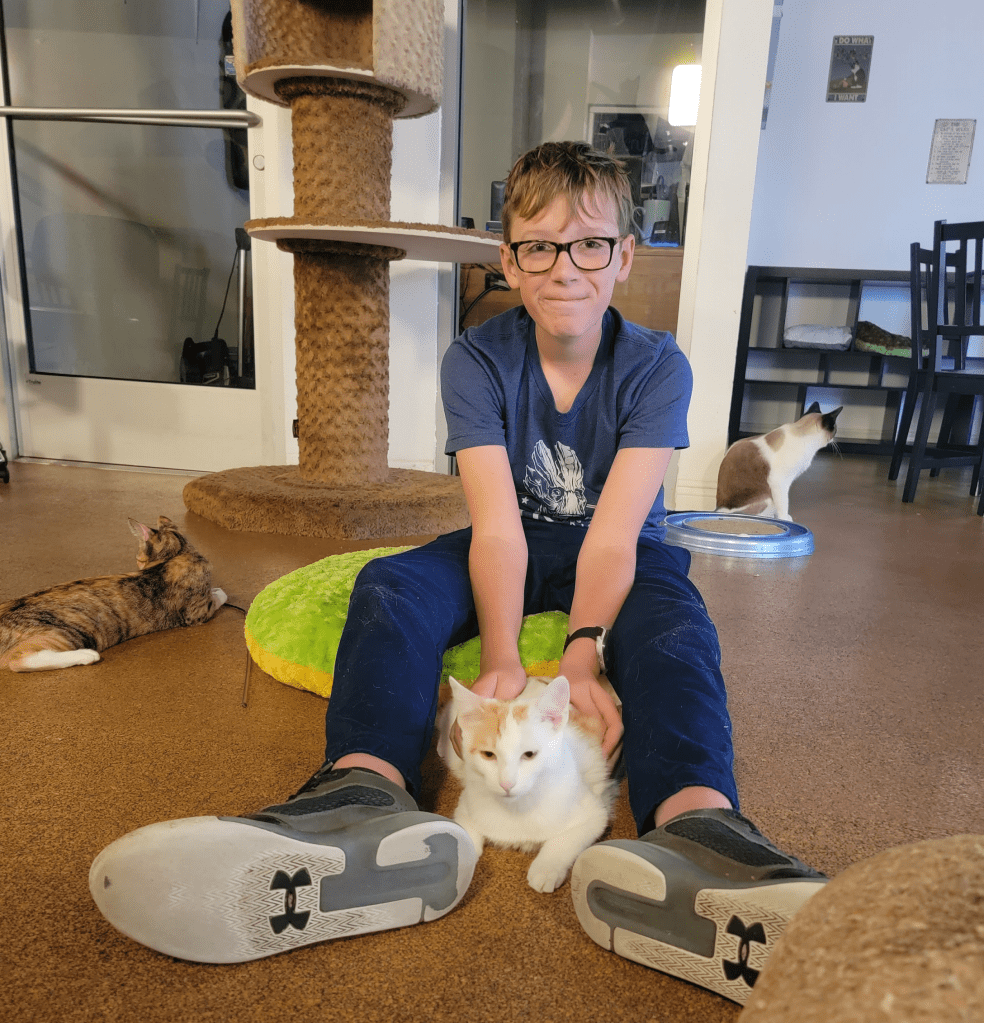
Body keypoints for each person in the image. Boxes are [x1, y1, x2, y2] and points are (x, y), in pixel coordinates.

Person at [89, 141, 825, 1003]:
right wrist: (503, 653)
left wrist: (582, 652)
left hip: (623, 546)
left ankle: (701, 834)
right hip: (510, 536)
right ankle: (360, 795)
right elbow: (498, 528)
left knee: (675, 627)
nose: (566, 267)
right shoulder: (474, 359)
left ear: (624, 256)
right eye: (540, 247)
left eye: (590, 244)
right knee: (391, 586)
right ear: (509, 261)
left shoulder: (658, 366)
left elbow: (615, 539)